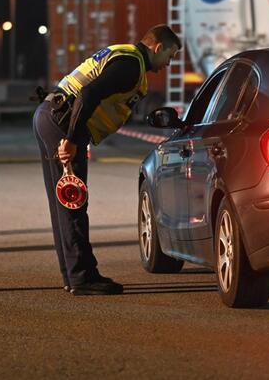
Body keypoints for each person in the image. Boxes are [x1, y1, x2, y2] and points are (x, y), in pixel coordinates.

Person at [33, 25, 181, 295]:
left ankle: (73, 275)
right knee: (73, 201)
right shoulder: (131, 66)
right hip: (63, 121)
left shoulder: (124, 56)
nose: (168, 64)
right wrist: (71, 139)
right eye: (169, 56)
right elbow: (88, 94)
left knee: (64, 203)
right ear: (158, 48)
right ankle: (82, 278)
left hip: (51, 114)